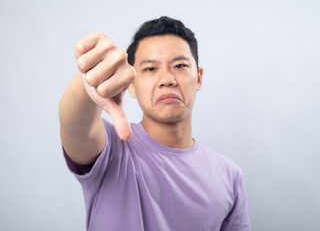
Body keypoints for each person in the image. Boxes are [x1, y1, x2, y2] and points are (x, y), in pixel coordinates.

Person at [59, 16, 251, 231]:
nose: (167, 79)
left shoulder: (230, 175)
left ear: (199, 78)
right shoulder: (112, 149)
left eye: (180, 65)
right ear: (131, 84)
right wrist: (87, 85)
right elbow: (75, 127)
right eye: (150, 69)